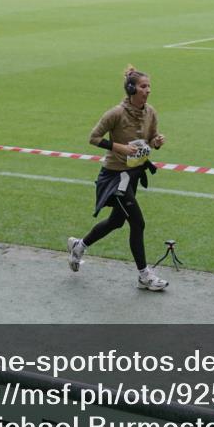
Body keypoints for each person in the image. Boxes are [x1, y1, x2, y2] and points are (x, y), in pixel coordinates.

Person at [67, 65, 169, 291]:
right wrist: (119, 147)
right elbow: (93, 138)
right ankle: (144, 276)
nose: (148, 90)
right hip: (115, 178)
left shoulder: (150, 112)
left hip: (133, 175)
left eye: (149, 86)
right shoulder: (115, 113)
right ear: (132, 88)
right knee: (137, 223)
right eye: (144, 86)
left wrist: (156, 143)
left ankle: (79, 245)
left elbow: (150, 139)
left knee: (116, 221)